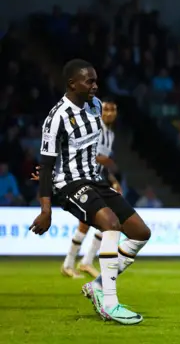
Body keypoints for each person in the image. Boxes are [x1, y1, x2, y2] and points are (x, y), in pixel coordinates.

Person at [30, 59, 151, 325]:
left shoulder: (95, 106)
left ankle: (97, 285)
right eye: (89, 81)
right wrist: (46, 210)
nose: (95, 86)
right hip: (69, 184)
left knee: (141, 233)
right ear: (72, 84)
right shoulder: (57, 117)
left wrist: (108, 176)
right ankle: (109, 302)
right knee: (110, 224)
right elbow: (47, 162)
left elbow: (91, 151)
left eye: (96, 80)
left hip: (95, 180)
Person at [31, 99, 120, 279]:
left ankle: (78, 262)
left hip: (97, 179)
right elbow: (85, 154)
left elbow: (99, 162)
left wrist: (113, 180)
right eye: (106, 109)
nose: (110, 113)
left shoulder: (111, 135)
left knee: (93, 223)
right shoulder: (95, 127)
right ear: (100, 111)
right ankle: (77, 262)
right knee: (100, 220)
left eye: (113, 109)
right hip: (81, 180)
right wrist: (51, 170)